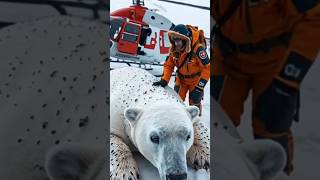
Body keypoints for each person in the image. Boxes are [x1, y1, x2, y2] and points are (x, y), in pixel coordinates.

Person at [212, 0, 320, 175]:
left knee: (272, 125)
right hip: (227, 56)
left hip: (273, 62)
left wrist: (288, 81)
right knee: (214, 122)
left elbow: (314, 17)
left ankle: (279, 175)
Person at [153, 24, 210, 116]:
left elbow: (207, 67)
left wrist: (199, 87)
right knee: (176, 103)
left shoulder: (197, 49)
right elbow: (168, 65)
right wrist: (164, 80)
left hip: (195, 82)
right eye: (175, 41)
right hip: (181, 80)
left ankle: (197, 124)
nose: (176, 44)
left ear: (185, 40)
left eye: (179, 41)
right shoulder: (174, 50)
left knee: (194, 104)